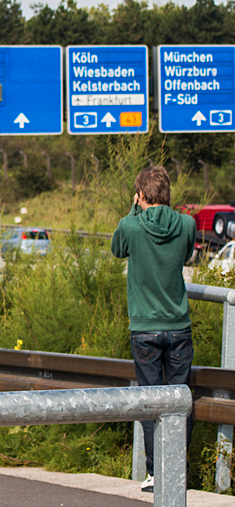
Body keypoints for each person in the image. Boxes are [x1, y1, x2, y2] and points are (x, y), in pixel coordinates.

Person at [111, 165, 196, 493]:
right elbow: (185, 256)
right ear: (168, 194)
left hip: (145, 328)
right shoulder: (186, 224)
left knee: (150, 401)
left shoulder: (130, 226)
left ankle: (154, 472)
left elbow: (118, 249)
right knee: (179, 401)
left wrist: (134, 210)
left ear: (141, 195)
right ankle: (178, 471)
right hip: (179, 327)